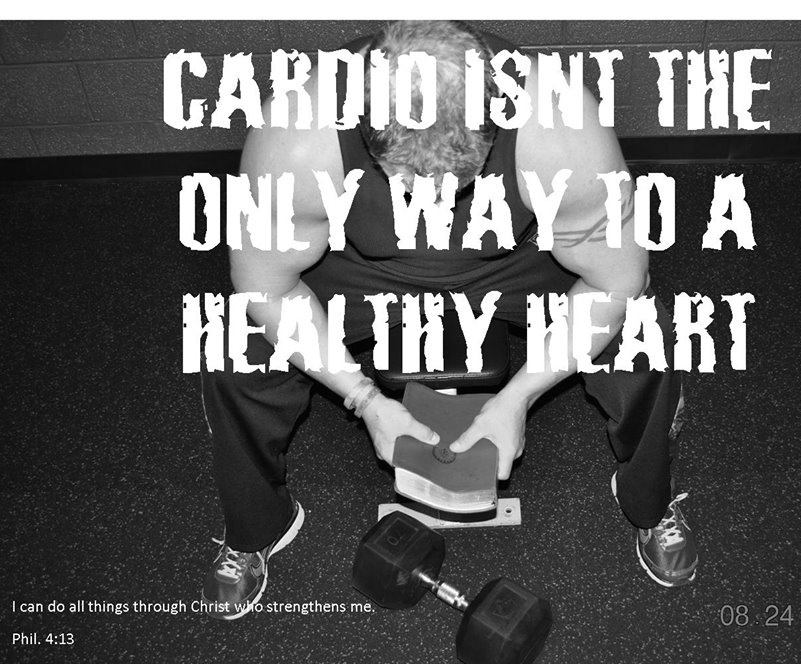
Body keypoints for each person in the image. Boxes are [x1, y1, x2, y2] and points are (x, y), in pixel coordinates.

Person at [200, 20, 697, 620]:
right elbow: (266, 287)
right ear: (366, 126)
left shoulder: (559, 127)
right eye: (409, 178)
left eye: (456, 180)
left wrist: (517, 399)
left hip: (510, 256)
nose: (433, 200)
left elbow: (616, 281)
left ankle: (649, 501)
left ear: (495, 122)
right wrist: (364, 399)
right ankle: (257, 526)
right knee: (235, 350)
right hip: (362, 261)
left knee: (646, 334)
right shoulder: (298, 137)